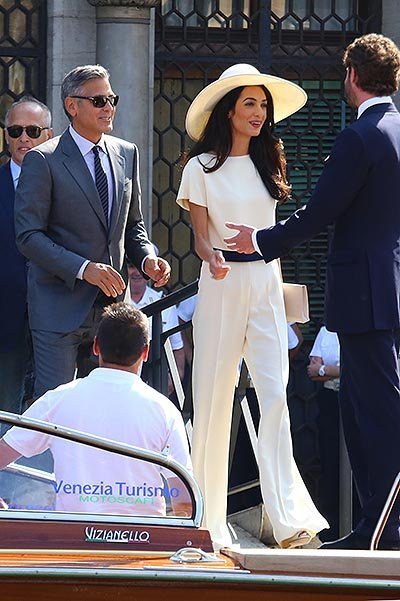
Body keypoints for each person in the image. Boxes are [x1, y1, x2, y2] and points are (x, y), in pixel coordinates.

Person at [224, 34, 400, 550]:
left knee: (375, 414)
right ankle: (375, 527)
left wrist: (260, 241)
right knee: (366, 411)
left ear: (352, 76)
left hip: (367, 295)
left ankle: (383, 529)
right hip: (384, 290)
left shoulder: (359, 137)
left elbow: (321, 210)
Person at [176, 63, 328, 549]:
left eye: (263, 105)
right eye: (249, 103)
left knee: (276, 395)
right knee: (213, 400)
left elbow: (273, 231)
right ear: (229, 110)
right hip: (221, 286)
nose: (259, 112)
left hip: (266, 283)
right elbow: (200, 238)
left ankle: (288, 520)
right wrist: (212, 258)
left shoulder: (269, 162)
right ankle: (206, 520)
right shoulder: (199, 168)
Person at [14, 65, 170, 400]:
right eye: (99, 100)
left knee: (107, 407)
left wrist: (147, 260)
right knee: (56, 410)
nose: (108, 107)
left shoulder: (127, 153)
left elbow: (133, 225)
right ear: (72, 106)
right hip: (58, 309)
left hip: (111, 310)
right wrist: (85, 269)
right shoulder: (43, 159)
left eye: (112, 99)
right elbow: (28, 236)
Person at [0, 303, 192, 517]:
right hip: (143, 536)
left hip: (73, 534)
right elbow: (185, 504)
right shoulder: (165, 411)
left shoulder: (58, 399)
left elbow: (3, 451)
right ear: (145, 352)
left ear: (96, 346)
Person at [0, 96, 53, 424]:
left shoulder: (67, 184)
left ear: (48, 135)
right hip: (5, 319)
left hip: (56, 314)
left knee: (54, 415)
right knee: (6, 412)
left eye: (32, 131)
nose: (24, 138)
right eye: (15, 130)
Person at [128, 260, 185, 393]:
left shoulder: (163, 302)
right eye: (131, 267)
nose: (137, 273)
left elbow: (177, 346)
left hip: (155, 380)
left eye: (141, 268)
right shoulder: (112, 300)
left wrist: (176, 376)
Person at [307, 326, 340, 540]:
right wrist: (331, 370)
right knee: (330, 462)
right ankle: (333, 526)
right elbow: (312, 370)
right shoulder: (325, 331)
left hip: (357, 398)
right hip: (330, 401)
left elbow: (359, 368)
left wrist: (324, 370)